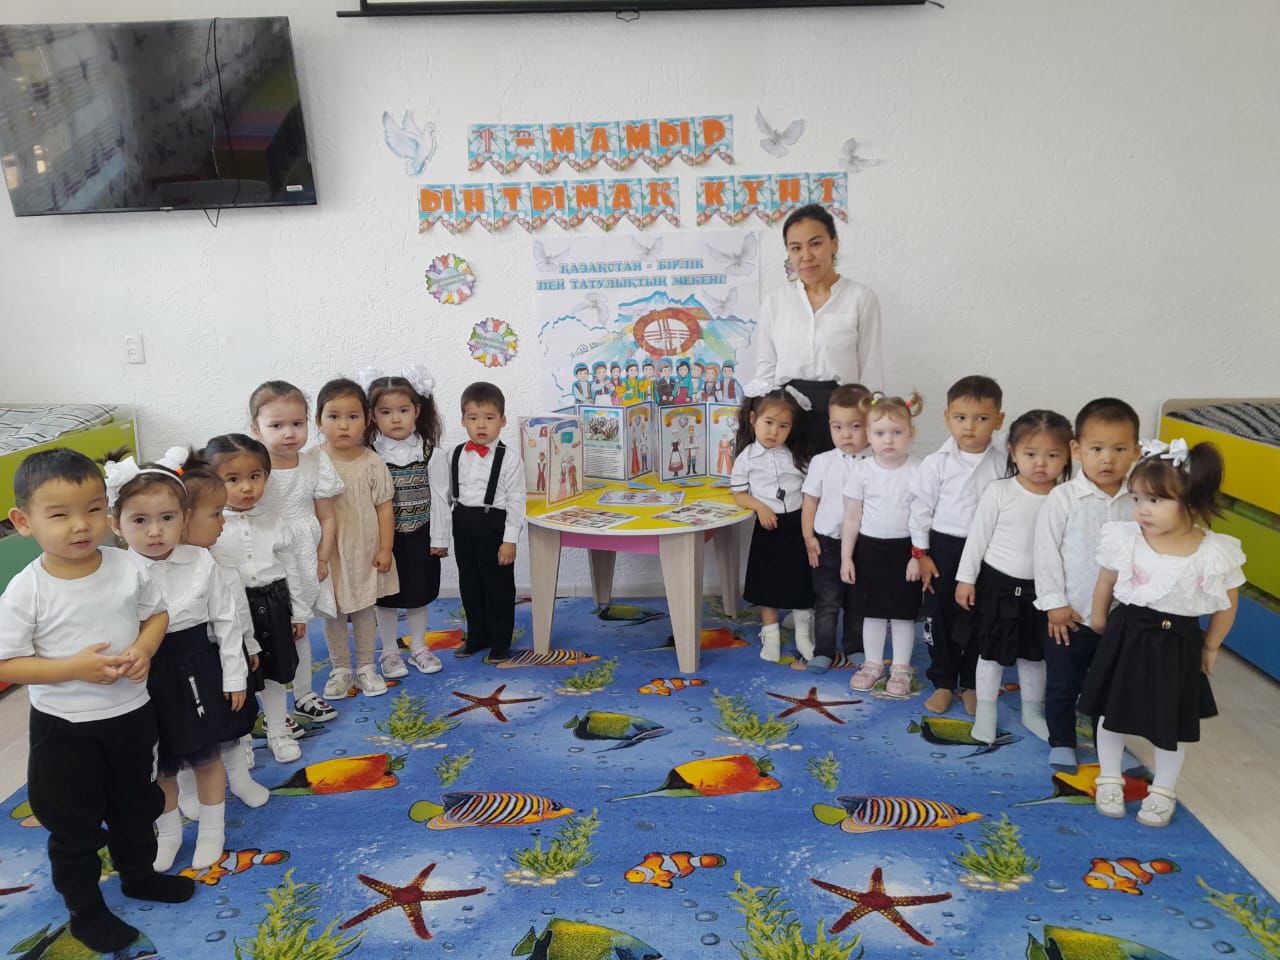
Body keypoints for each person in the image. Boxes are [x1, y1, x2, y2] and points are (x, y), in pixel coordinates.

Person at [0, 449, 194, 952]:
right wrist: (72, 669)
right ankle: (85, 910)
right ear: (23, 522)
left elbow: (156, 614)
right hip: (65, 728)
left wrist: (144, 648)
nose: (80, 525)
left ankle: (139, 876)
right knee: (74, 823)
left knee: (136, 804)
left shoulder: (127, 565)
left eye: (92, 509)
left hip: (131, 715)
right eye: (59, 514)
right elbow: (6, 664)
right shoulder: (26, 590)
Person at [1078, 440, 1244, 827]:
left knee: (1171, 720)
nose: (1142, 509)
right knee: (1111, 711)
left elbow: (1227, 603)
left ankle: (1163, 790)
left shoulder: (1213, 551)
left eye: (1155, 500)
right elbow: (1106, 581)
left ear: (1191, 500)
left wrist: (1211, 645)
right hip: (1127, 633)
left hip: (1178, 643)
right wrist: (1099, 618)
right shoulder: (1126, 538)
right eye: (1137, 498)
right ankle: (1109, 777)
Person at [105, 450, 244, 872]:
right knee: (158, 765)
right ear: (116, 524)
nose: (155, 532)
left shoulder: (201, 561)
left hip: (196, 666)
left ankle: (213, 831)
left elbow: (226, 620)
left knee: (205, 755)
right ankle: (168, 833)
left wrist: (235, 675)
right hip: (144, 676)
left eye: (167, 518)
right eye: (139, 520)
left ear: (184, 518)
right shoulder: (115, 569)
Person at [1033, 398, 1140, 771]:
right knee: (1063, 684)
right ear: (1077, 450)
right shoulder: (1063, 498)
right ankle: (1062, 740)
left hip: (1120, 619)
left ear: (1136, 451)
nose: (1107, 459)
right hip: (1070, 616)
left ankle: (1108, 746)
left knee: (1112, 687)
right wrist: (1054, 604)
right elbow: (1045, 552)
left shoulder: (1139, 500)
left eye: (1119, 449)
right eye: (1096, 449)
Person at [956, 410, 1073, 744]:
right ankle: (986, 711)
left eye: (1052, 456)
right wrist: (966, 578)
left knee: (1034, 654)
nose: (1041, 464)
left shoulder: (1066, 498)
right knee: (990, 653)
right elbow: (977, 538)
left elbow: (1069, 549)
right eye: (1031, 454)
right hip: (998, 585)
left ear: (1068, 455)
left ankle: (1032, 711)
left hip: (1043, 590)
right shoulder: (1000, 491)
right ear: (1013, 452)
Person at [204, 434, 311, 763]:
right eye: (233, 479)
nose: (247, 487)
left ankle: (278, 729)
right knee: (242, 675)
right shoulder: (210, 526)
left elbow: (292, 568)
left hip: (274, 603)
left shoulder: (274, 519)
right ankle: (244, 739)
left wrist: (299, 612)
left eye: (255, 476)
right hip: (233, 610)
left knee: (276, 673)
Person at [909, 375, 1007, 716]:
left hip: (989, 549)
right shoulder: (936, 463)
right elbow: (920, 511)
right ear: (947, 417)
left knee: (981, 617)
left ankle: (971, 684)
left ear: (998, 420)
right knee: (941, 617)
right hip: (944, 549)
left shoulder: (1004, 460)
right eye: (961, 417)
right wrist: (921, 554)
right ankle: (943, 681)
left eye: (982, 418)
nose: (970, 426)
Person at [175, 459, 268, 813]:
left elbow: (237, 607)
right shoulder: (170, 568)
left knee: (231, 720)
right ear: (184, 519)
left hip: (227, 653)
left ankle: (240, 778)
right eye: (215, 514)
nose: (223, 521)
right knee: (186, 727)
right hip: (189, 661)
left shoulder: (220, 557)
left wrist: (249, 643)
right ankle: (187, 791)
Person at [755, 203, 884, 454]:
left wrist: (873, 423)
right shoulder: (775, 302)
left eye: (815, 244)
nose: (806, 256)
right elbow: (766, 368)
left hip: (843, 417)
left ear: (834, 244)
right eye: (796, 248)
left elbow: (871, 368)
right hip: (787, 417)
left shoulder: (860, 298)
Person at [250, 380, 342, 724]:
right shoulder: (253, 469)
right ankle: (272, 709)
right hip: (268, 558)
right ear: (256, 429)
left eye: (297, 423)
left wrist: (322, 557)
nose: (289, 433)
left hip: (304, 555)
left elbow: (328, 516)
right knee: (268, 631)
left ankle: (304, 693)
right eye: (276, 425)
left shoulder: (315, 463)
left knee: (300, 627)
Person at [314, 378, 400, 699]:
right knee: (333, 610)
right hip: (328, 551)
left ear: (366, 420)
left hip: (364, 549)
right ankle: (340, 668)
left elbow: (384, 508)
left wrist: (386, 548)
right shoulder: (312, 462)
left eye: (352, 417)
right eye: (333, 416)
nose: (343, 425)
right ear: (318, 420)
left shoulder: (372, 462)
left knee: (364, 608)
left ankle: (365, 666)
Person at [429, 382, 526, 662]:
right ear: (463, 420)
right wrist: (440, 536)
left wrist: (510, 541)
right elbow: (444, 496)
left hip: (493, 524)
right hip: (463, 522)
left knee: (498, 586)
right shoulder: (454, 454)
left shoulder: (509, 459)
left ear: (502, 421)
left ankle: (500, 641)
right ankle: (477, 635)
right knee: (470, 583)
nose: (481, 425)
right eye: (473, 418)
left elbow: (516, 501)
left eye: (489, 418)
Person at [840, 393, 925, 697]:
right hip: (870, 550)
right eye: (879, 433)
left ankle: (901, 667)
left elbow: (923, 518)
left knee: (902, 613)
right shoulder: (861, 471)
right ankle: (873, 664)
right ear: (869, 435)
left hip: (905, 551)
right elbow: (851, 518)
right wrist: (846, 558)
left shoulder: (919, 470)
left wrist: (918, 556)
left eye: (897, 432)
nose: (888, 440)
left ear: (911, 433)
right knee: (872, 611)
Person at [364, 366, 447, 679]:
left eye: (403, 410)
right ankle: (389, 651)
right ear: (373, 416)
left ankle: (419, 646)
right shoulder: (370, 455)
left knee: (418, 594)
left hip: (421, 536)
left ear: (417, 411)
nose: (395, 419)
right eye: (386, 412)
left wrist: (440, 539)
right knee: (386, 598)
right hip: (384, 540)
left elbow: (440, 498)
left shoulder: (431, 453)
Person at [731, 386, 813, 662]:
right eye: (768, 423)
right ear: (753, 419)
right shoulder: (746, 459)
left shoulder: (796, 456)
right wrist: (760, 507)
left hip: (798, 525)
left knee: (802, 580)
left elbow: (811, 490)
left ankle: (804, 634)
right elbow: (739, 494)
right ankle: (771, 633)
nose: (774, 432)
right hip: (768, 528)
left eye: (783, 426)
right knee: (768, 583)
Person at [801, 383, 870, 673]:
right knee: (827, 601)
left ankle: (855, 646)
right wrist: (808, 537)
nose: (846, 435)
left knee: (858, 601)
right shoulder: (822, 462)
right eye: (837, 427)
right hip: (827, 543)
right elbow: (810, 501)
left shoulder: (877, 462)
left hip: (864, 544)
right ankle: (824, 650)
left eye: (855, 426)